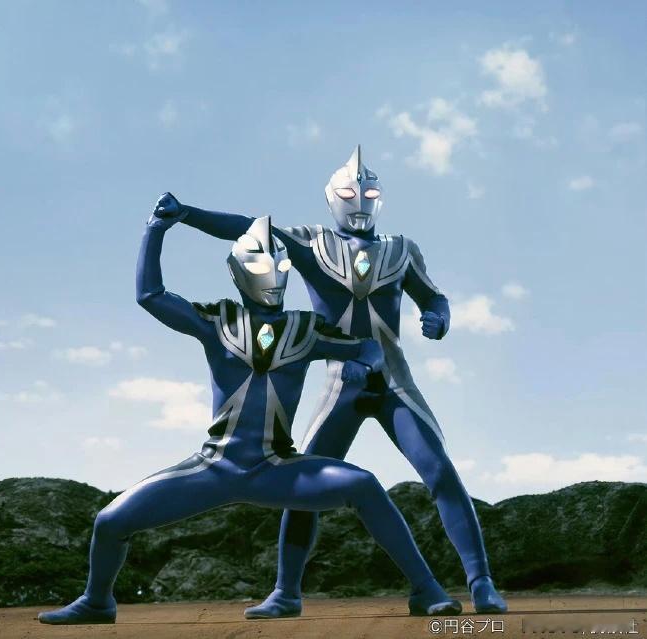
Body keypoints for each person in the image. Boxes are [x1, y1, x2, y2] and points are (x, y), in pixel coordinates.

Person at [37, 202, 461, 625]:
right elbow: (150, 295)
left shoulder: (304, 328)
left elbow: (367, 345)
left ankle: (426, 588)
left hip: (274, 468)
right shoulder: (218, 321)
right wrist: (155, 230)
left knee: (364, 485)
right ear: (239, 272)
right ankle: (97, 601)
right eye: (261, 266)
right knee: (110, 521)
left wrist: (365, 363)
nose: (272, 275)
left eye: (279, 265)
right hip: (215, 466)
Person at [165, 145, 507, 616]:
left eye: (369, 193)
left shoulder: (401, 250)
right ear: (332, 197)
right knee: (303, 488)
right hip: (340, 385)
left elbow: (433, 297)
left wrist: (438, 317)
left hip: (394, 383)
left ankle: (481, 581)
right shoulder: (312, 243)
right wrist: (187, 214)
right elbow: (250, 228)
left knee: (439, 471)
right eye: (349, 193)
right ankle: (286, 591)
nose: (360, 200)